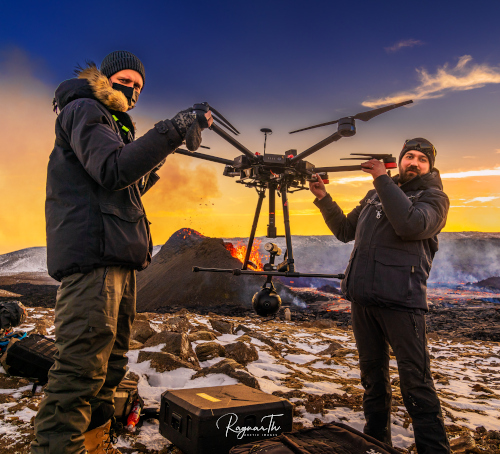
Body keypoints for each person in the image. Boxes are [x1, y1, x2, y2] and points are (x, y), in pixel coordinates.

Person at [32, 50, 213, 454]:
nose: (132, 90)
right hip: (94, 261)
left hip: (116, 259)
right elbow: (113, 171)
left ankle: (94, 444)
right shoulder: (85, 110)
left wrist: (161, 147)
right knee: (81, 372)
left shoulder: (111, 123)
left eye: (139, 87)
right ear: (104, 79)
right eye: (125, 80)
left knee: (109, 370)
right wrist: (172, 129)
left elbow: (122, 184)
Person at [310, 138, 451, 453]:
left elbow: (410, 224)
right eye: (409, 157)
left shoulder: (434, 198)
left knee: (416, 384)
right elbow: (346, 230)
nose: (414, 162)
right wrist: (323, 198)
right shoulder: (376, 195)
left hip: (402, 304)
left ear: (430, 166)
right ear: (400, 161)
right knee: (373, 381)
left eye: (421, 159)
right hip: (363, 302)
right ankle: (376, 443)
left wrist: (381, 178)